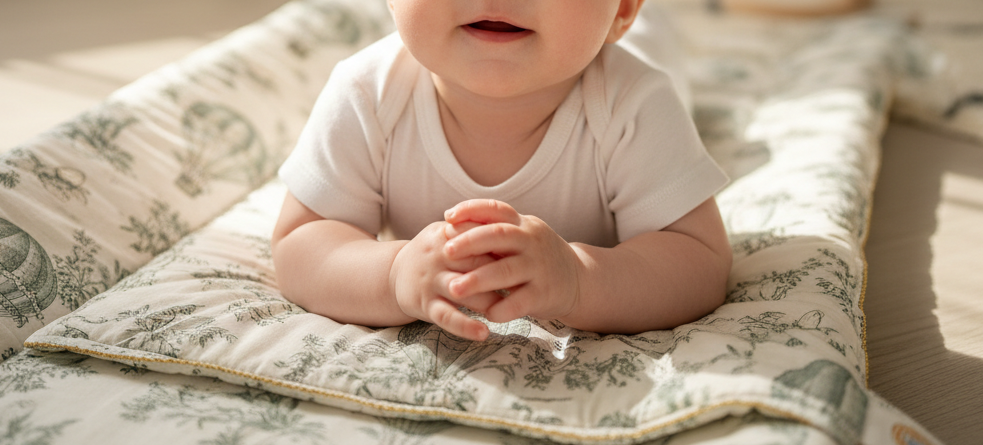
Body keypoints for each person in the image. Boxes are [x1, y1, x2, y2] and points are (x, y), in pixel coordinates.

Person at [271, 0, 732, 342]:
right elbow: (302, 241)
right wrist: (392, 274)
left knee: (673, 59)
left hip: (647, 52)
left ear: (623, 9)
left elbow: (698, 259)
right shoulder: (365, 93)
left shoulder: (635, 103)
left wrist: (581, 278)